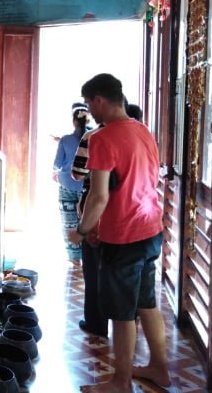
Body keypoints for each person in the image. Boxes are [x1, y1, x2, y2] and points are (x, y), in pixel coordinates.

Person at [69, 74, 170, 393]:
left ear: (99, 100)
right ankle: (159, 369)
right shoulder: (143, 130)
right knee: (146, 303)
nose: (89, 111)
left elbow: (99, 196)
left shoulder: (102, 138)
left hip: (123, 236)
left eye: (89, 104)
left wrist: (83, 230)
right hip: (151, 229)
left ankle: (120, 382)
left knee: (122, 314)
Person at [72, 102, 143, 339]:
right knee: (125, 273)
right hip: (132, 215)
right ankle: (129, 320)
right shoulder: (141, 138)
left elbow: (77, 173)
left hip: (97, 213)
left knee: (94, 271)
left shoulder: (93, 137)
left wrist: (83, 228)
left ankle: (97, 323)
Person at [52, 102, 90, 265]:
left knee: (69, 222)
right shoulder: (94, 137)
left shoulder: (65, 139)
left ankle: (74, 258)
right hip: (87, 186)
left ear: (74, 121)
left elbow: (57, 164)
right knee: (87, 220)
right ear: (88, 121)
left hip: (67, 183)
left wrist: (56, 172)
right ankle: (88, 255)